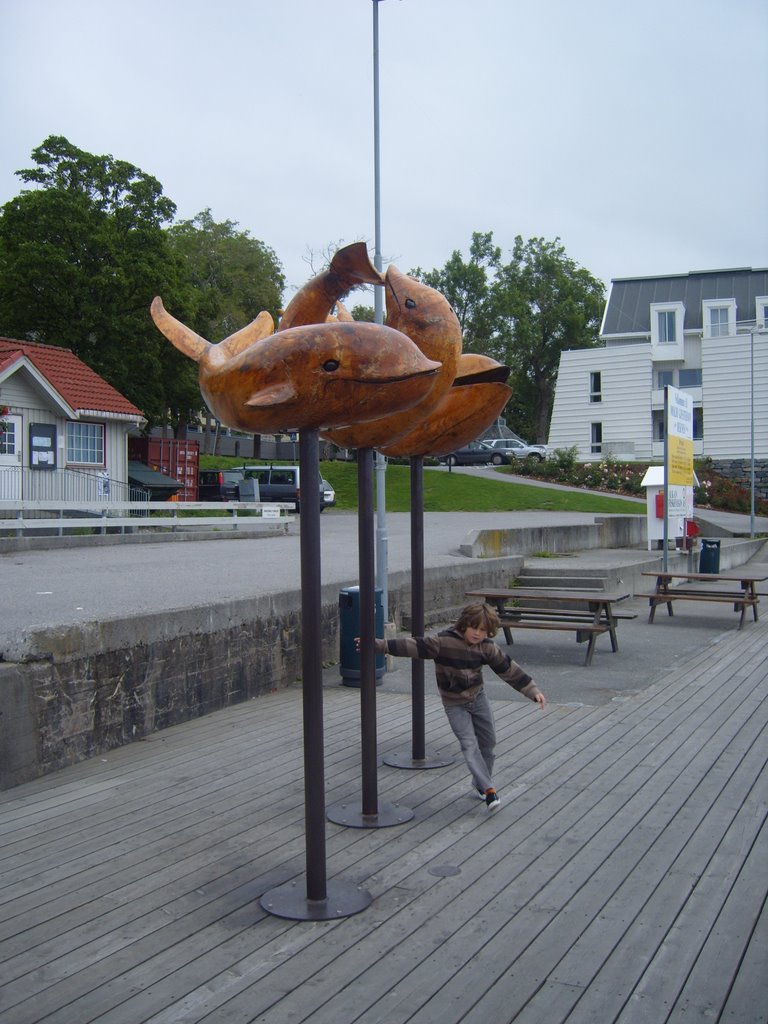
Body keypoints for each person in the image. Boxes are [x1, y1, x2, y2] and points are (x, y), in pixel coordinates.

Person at [358, 602, 545, 812]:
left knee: (488, 742)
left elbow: (508, 669)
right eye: (475, 628)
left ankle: (479, 782)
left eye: (483, 630)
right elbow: (412, 646)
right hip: (454, 704)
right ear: (464, 625)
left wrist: (532, 690)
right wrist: (378, 645)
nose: (478, 634)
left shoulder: (487, 647)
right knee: (468, 743)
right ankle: (489, 789)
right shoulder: (442, 642)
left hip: (478, 698)